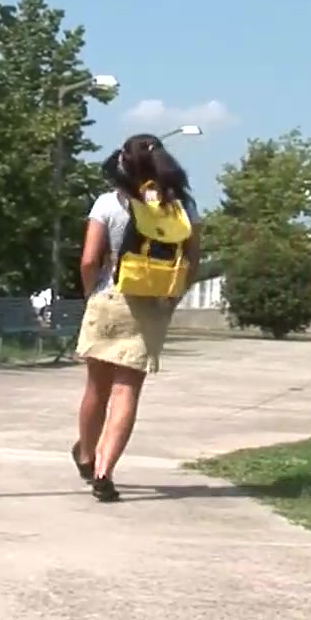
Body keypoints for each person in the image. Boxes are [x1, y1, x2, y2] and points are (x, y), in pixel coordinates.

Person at [70, 133, 201, 502]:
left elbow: (88, 260)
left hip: (109, 297)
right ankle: (105, 471)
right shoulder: (182, 206)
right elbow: (192, 261)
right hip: (153, 305)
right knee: (127, 390)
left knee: (96, 388)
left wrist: (90, 294)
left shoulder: (108, 202)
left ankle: (86, 456)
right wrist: (171, 300)